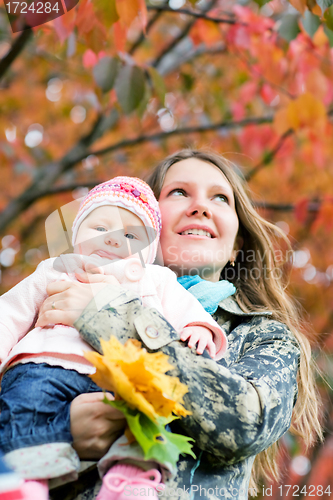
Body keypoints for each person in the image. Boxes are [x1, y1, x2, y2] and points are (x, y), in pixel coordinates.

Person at [36, 150, 322, 500]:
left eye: (220, 197)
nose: (200, 206)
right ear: (146, 226)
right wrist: (56, 431)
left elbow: (246, 423)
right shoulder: (68, 291)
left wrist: (110, 317)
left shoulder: (264, 337)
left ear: (236, 246)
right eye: (179, 192)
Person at [0, 176, 231, 500]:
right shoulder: (57, 268)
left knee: (148, 422)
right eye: (99, 228)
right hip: (45, 365)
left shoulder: (155, 277)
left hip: (125, 376)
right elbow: (11, 312)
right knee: (23, 414)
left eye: (130, 235)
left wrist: (198, 327)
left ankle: (131, 480)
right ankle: (25, 484)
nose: (112, 240)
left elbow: (184, 307)